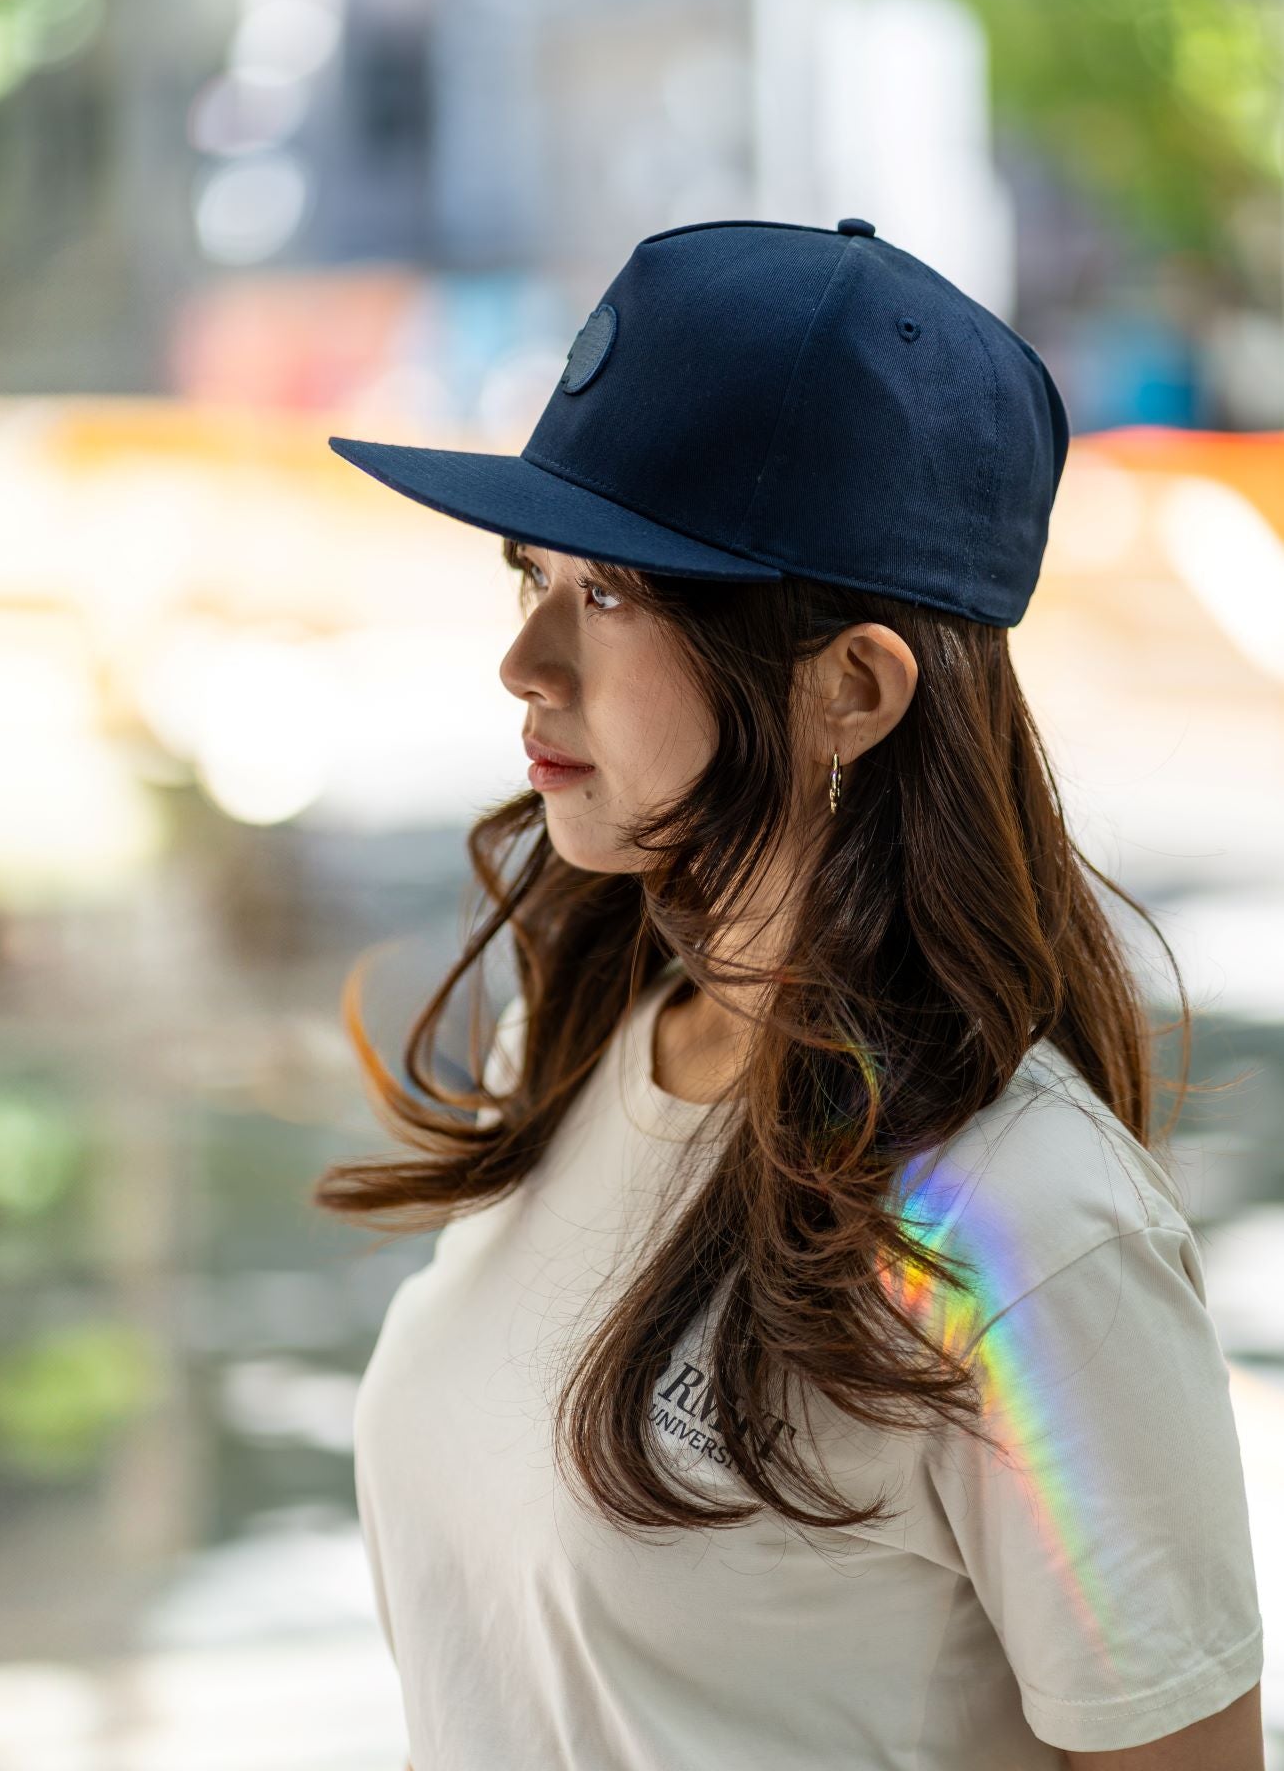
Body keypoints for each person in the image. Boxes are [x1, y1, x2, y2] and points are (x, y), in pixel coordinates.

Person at [317, 217, 1265, 1770]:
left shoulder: (1020, 1230)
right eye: (529, 570)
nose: (525, 661)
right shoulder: (564, 1052)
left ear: (853, 690)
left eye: (615, 592)